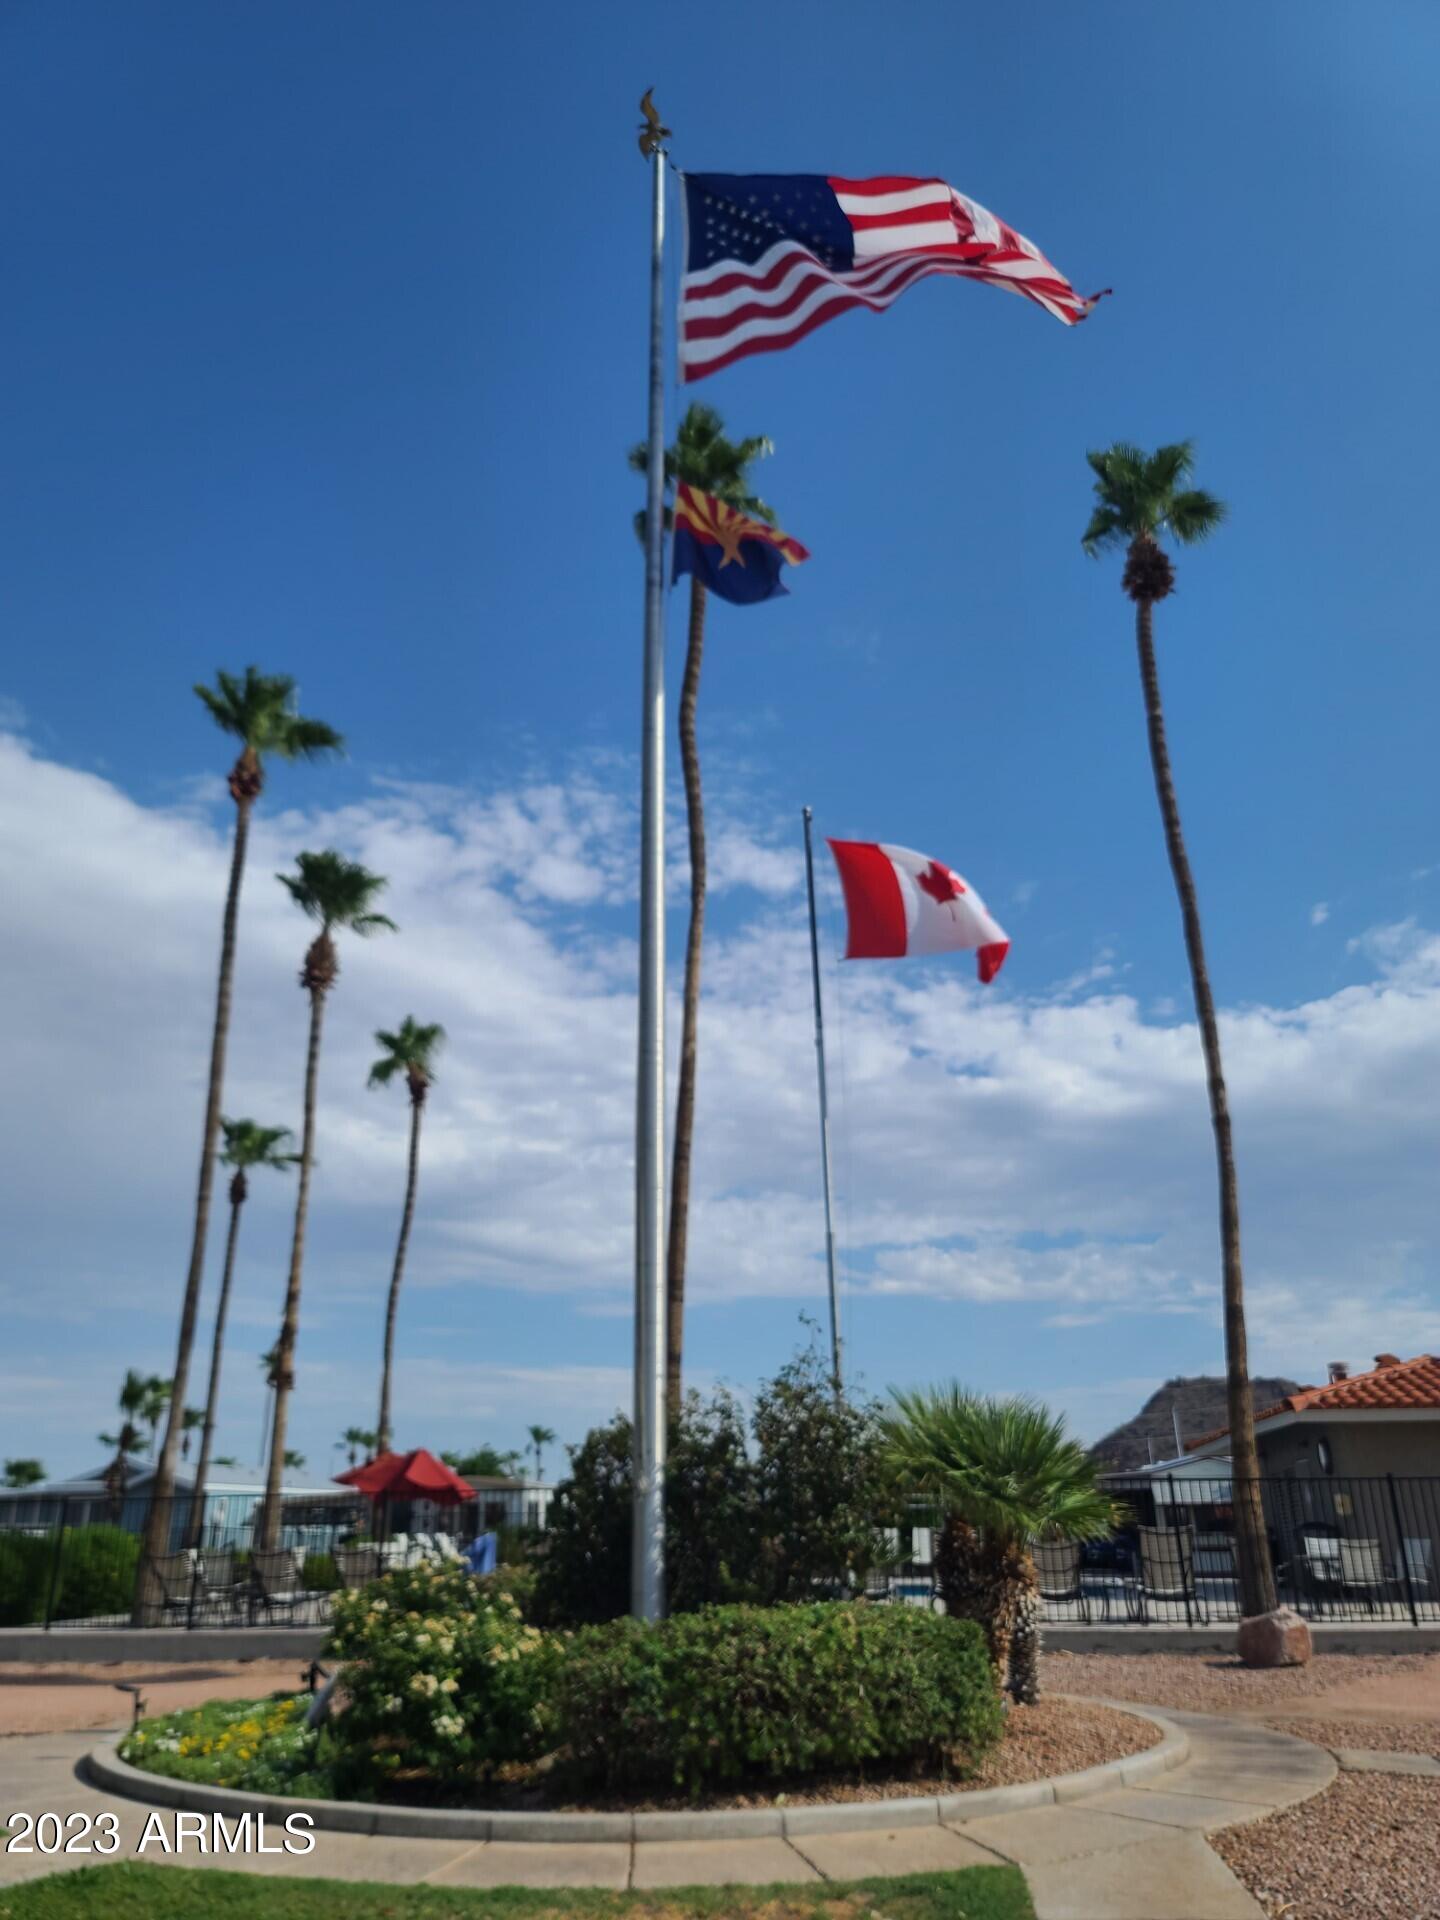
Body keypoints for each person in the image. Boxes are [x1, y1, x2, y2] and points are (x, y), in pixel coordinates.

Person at [463, 1502, 505, 1577]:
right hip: (485, 1572)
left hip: (480, 1573)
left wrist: (461, 1554)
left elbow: (473, 1550)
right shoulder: (493, 1537)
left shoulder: (487, 1538)